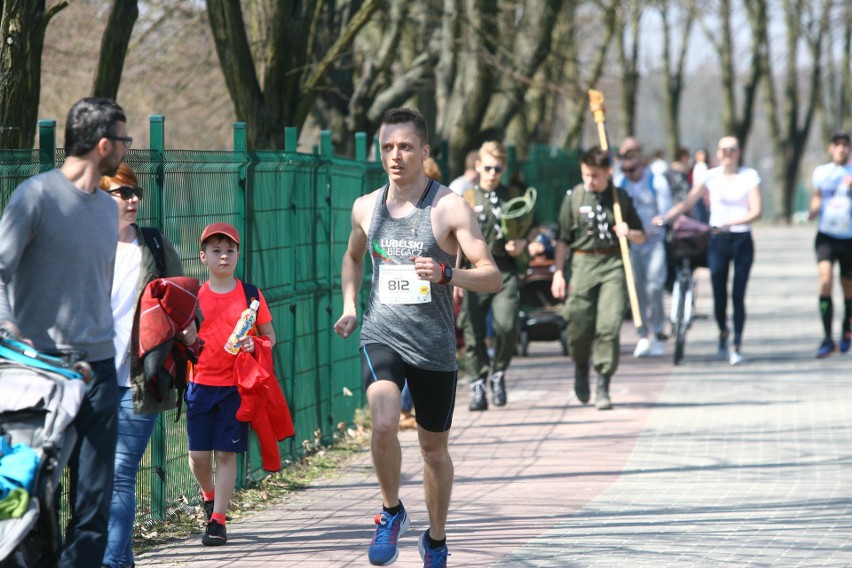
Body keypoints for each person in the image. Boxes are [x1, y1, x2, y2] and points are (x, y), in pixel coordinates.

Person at [333, 106, 500, 567]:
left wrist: (449, 274)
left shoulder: (448, 207)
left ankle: (437, 538)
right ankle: (391, 512)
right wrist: (350, 306)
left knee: (433, 449)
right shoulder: (366, 207)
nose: (396, 155)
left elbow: (492, 276)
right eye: (387, 147)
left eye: (406, 146)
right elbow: (351, 257)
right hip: (381, 332)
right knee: (384, 421)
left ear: (425, 152)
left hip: (433, 345)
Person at [0, 97, 129, 567]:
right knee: (36, 506)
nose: (126, 148)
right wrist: (7, 323)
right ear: (102, 145)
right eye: (123, 139)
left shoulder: (104, 211)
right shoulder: (34, 197)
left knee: (94, 509)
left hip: (97, 373)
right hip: (42, 378)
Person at [100, 164, 199, 568]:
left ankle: (110, 563)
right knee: (96, 478)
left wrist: (188, 329)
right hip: (88, 378)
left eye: (136, 192)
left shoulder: (155, 245)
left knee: (121, 472)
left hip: (142, 378)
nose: (133, 199)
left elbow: (185, 303)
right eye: (123, 192)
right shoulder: (81, 246)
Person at [187, 222, 276, 546]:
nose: (223, 257)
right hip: (199, 384)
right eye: (216, 251)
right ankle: (209, 496)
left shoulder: (250, 295)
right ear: (203, 257)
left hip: (236, 388)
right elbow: (182, 337)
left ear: (238, 255)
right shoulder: (194, 295)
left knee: (226, 455)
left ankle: (218, 521)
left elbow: (270, 336)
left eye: (229, 251)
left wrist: (257, 345)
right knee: (197, 455)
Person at [551, 147, 646, 410]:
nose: (590, 181)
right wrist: (558, 272)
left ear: (608, 173)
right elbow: (562, 239)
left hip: (613, 263)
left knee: (609, 325)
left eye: (595, 175)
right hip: (582, 263)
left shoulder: (620, 198)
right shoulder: (574, 198)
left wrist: (629, 232)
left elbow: (642, 235)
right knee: (578, 322)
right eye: (586, 175)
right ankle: (581, 365)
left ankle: (603, 381)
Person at [660, 136, 762, 366]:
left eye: (732, 149)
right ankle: (722, 332)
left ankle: (737, 344)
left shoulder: (749, 176)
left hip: (741, 239)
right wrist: (665, 217)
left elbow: (757, 210)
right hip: (717, 240)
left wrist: (734, 222)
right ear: (717, 153)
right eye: (723, 149)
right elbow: (687, 202)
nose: (728, 154)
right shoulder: (710, 177)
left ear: (738, 152)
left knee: (738, 294)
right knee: (718, 289)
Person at [459, 141, 532, 411]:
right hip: (473, 272)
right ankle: (478, 383)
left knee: (506, 324)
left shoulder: (513, 196)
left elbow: (532, 228)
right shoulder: (466, 199)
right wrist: (456, 277)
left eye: (498, 168)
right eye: (488, 167)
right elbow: (455, 240)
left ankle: (499, 372)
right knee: (473, 330)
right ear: (478, 166)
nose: (492, 173)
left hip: (505, 269)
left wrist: (523, 243)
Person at [617, 137, 672, 357]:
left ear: (642, 163)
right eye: (625, 169)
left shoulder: (656, 181)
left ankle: (658, 332)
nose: (629, 173)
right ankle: (642, 334)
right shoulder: (621, 184)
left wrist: (651, 228)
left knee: (654, 287)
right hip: (632, 245)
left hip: (653, 242)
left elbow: (665, 212)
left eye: (633, 169)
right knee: (636, 290)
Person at [807, 132, 852, 357]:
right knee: (825, 282)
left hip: (849, 238)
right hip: (826, 235)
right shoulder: (822, 173)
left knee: (848, 288)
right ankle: (827, 338)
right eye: (838, 145)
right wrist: (813, 209)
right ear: (830, 149)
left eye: (846, 145)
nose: (842, 149)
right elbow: (817, 195)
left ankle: (847, 329)